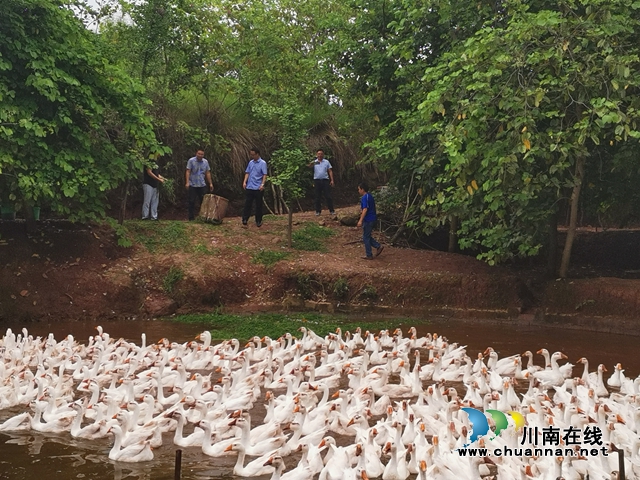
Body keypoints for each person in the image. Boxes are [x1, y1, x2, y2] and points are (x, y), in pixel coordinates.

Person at [357, 182, 384, 260]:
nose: (358, 191)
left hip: (369, 219)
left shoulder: (365, 197)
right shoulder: (370, 196)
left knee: (366, 237)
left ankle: (370, 253)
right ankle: (377, 246)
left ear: (362, 189)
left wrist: (360, 220)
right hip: (371, 218)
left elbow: (365, 209)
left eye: (359, 189)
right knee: (367, 236)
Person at [242, 148, 268, 227]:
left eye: (253, 154)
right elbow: (247, 172)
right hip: (250, 186)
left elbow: (264, 175)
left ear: (257, 154)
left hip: (258, 187)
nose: (252, 156)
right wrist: (244, 181)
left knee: (258, 205)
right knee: (248, 203)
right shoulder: (251, 162)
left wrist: (262, 184)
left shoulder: (263, 163)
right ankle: (245, 219)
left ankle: (258, 220)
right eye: (251, 155)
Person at [185, 149, 213, 221]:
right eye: (199, 154)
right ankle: (191, 218)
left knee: (203, 201)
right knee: (192, 201)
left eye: (202, 154)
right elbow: (188, 171)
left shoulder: (205, 162)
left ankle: (202, 217)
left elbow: (207, 173)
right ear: (196, 153)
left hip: (202, 184)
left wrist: (210, 183)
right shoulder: (191, 161)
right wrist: (187, 182)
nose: (200, 155)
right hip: (193, 184)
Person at [308, 149, 335, 216]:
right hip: (317, 181)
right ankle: (318, 211)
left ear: (323, 155)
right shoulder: (314, 162)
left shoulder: (326, 162)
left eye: (321, 154)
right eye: (318, 154)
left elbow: (330, 171)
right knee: (317, 197)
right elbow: (309, 167)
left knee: (328, 196)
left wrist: (332, 180)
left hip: (325, 180)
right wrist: (310, 164)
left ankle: (331, 210)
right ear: (316, 155)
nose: (320, 155)